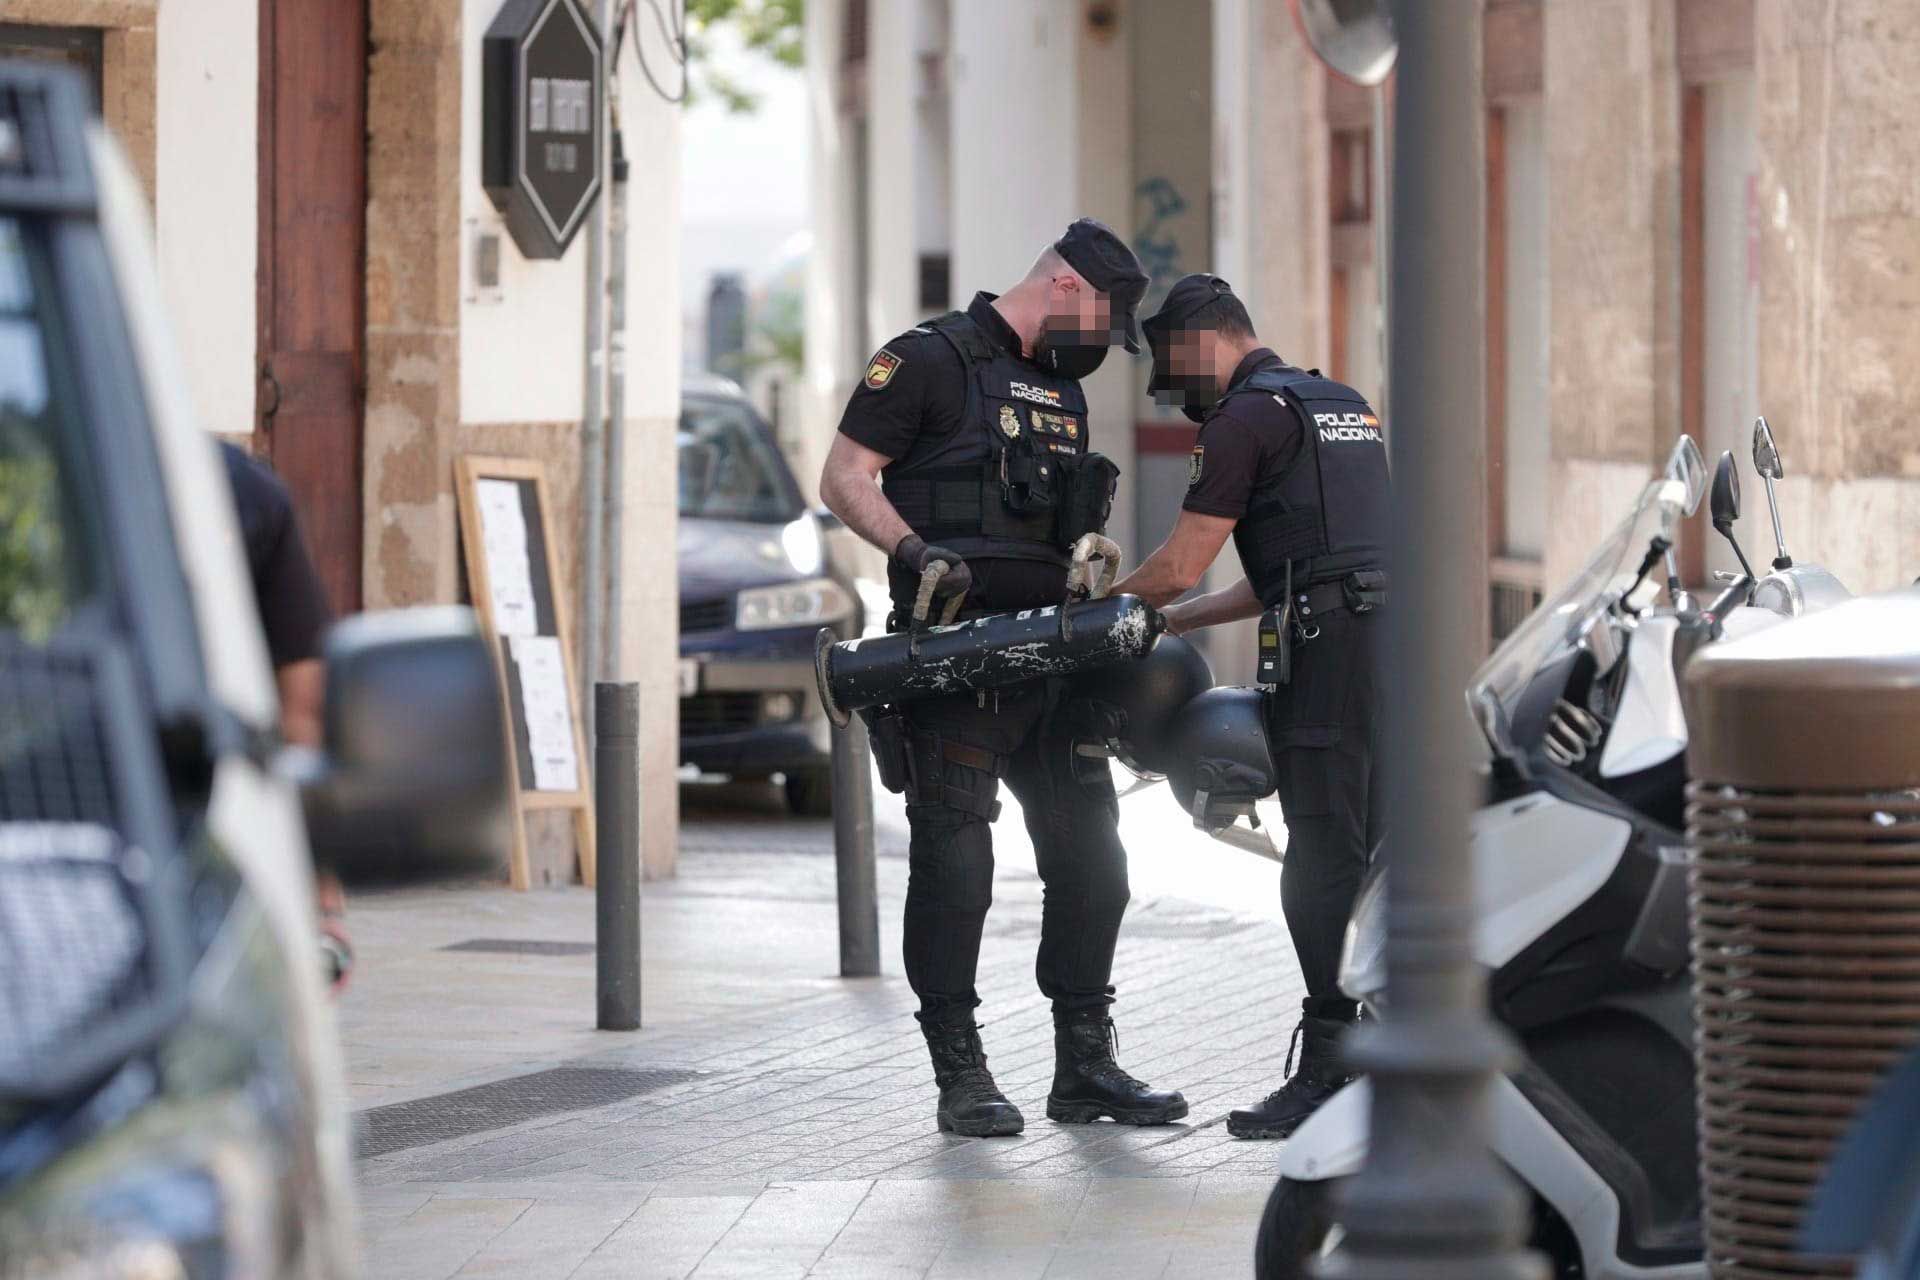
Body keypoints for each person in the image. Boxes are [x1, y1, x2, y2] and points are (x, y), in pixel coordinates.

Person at [818, 219, 1188, 1137]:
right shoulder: (928, 361)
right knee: (956, 867)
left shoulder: (1064, 391)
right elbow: (843, 475)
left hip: (1053, 665)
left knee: (1094, 865)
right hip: (955, 661)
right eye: (1102, 322)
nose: (1102, 346)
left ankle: (1085, 1069)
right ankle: (961, 1072)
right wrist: (912, 546)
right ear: (1063, 286)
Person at [1112, 274, 1389, 1140]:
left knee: (1319, 852)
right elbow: (1296, 564)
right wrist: (1175, 619)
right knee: (1376, 842)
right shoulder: (1336, 402)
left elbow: (1181, 561)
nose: (1174, 389)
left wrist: (1104, 613)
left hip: (1328, 655)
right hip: (1393, 643)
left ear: (1204, 341)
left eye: (1173, 367)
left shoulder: (1241, 418)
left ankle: (1330, 1064)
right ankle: (1386, 1048)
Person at [220, 441, 352, 990]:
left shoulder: (245, 493)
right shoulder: (239, 489)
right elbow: (305, 711)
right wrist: (325, 909)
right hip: (201, 843)